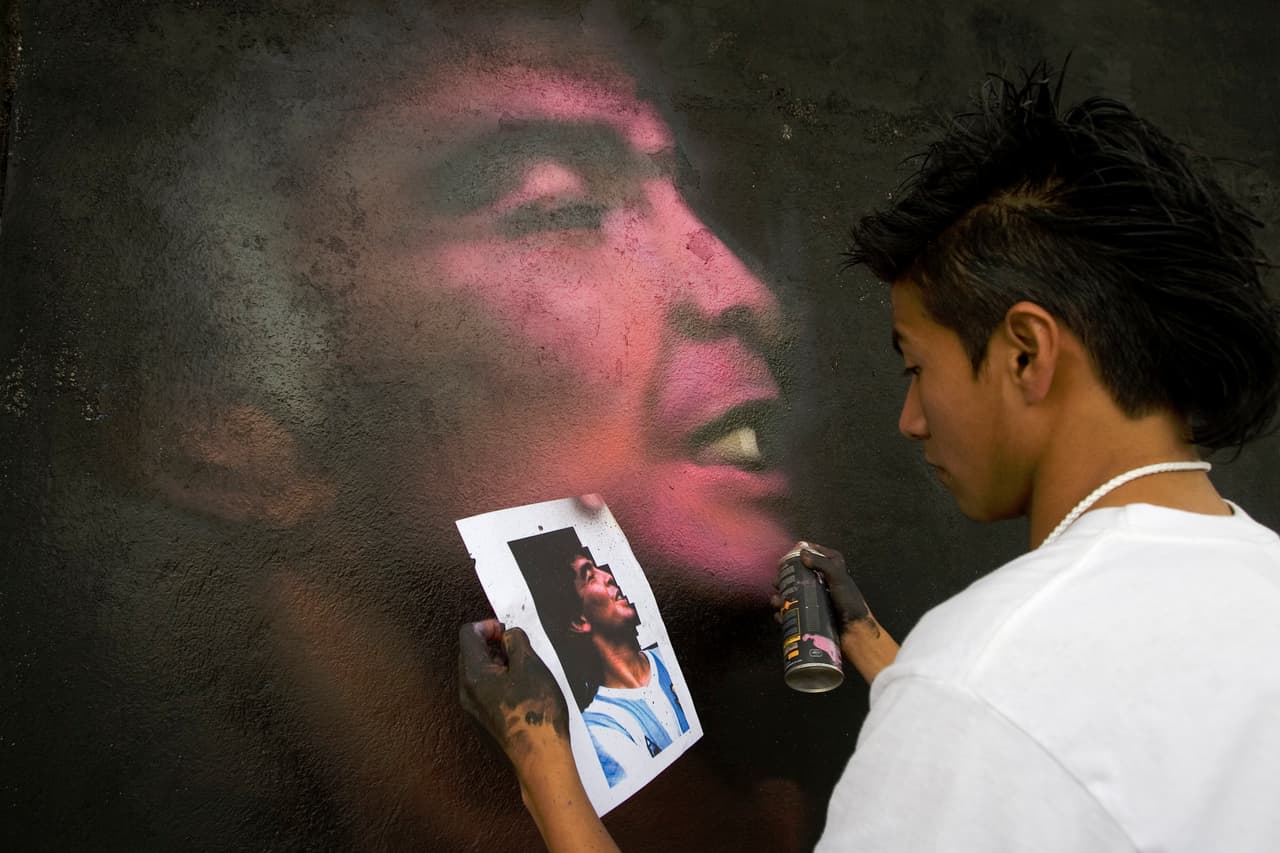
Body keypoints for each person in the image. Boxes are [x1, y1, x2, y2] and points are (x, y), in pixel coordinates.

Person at [459, 66, 1280, 851]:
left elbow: (1004, 719)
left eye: (918, 368)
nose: (911, 418)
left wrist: (540, 756)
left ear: (1026, 354)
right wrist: (889, 660)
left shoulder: (976, 684)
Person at [510, 528, 692, 788]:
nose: (608, 577)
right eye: (589, 575)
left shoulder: (667, 658)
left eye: (600, 569)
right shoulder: (601, 728)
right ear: (578, 621)